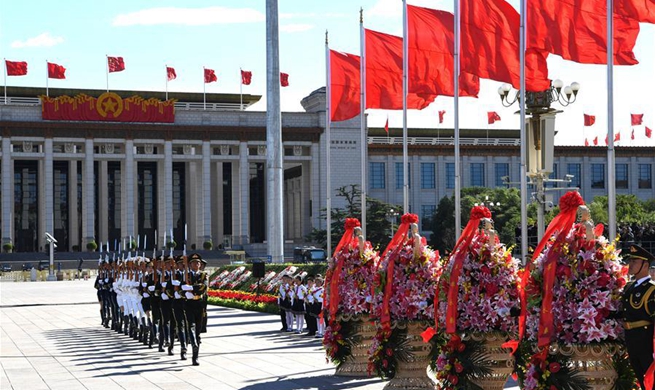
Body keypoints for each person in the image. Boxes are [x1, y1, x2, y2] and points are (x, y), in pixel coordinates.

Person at [622, 244, 655, 390]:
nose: (631, 265)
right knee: (640, 379)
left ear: (645, 264)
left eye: (635, 262)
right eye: (630, 261)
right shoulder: (628, 287)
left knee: (651, 379)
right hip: (631, 339)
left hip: (646, 341)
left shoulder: (651, 289)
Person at [182, 253, 207, 366]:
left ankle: (195, 356)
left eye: (198, 263)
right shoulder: (185, 275)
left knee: (198, 330)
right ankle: (193, 345)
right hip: (189, 304)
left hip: (199, 304)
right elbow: (180, 288)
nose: (196, 264)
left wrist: (191, 288)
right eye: (193, 263)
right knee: (190, 326)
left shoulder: (204, 275)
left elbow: (203, 287)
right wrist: (184, 293)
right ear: (190, 264)